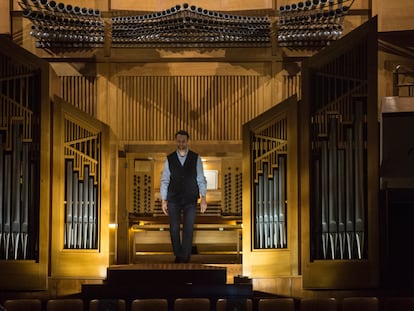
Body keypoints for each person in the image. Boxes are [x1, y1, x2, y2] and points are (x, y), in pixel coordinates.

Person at [160, 130, 207, 263]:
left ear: (188, 141)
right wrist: (164, 199)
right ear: (176, 141)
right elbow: (165, 180)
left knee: (188, 227)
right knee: (174, 227)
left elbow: (200, 178)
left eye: (183, 141)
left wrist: (203, 197)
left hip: (190, 198)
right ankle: (178, 254)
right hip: (173, 198)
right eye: (179, 141)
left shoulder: (195, 158)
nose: (181, 143)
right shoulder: (169, 158)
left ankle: (184, 257)